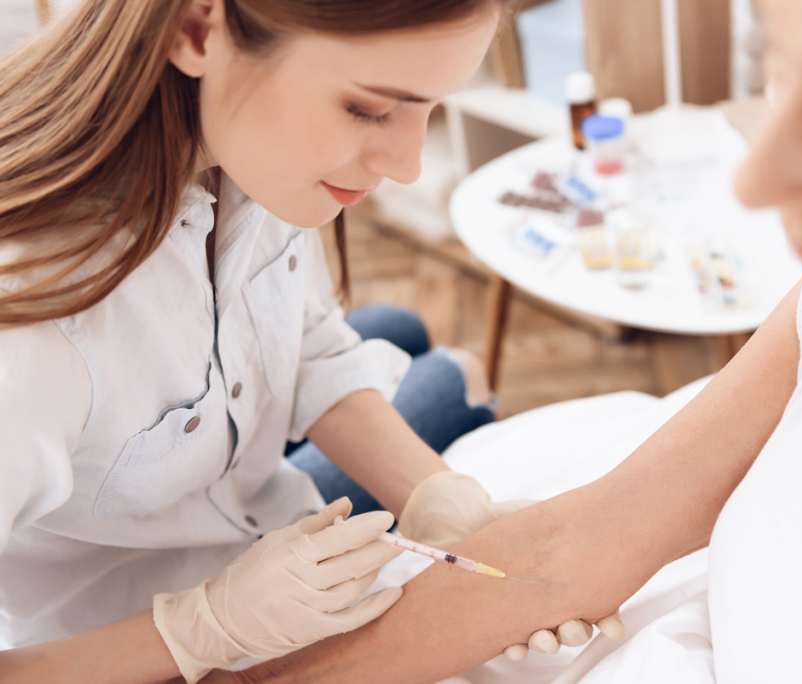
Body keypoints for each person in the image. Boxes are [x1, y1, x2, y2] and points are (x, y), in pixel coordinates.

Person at [197, 0, 802, 681]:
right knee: (421, 355)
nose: (755, 178)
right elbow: (571, 549)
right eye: (786, 70)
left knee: (427, 364)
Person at [0, 0, 597, 681]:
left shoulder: (247, 152)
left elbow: (308, 342)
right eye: (370, 109)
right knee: (460, 378)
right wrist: (197, 631)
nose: (408, 165)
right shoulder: (29, 331)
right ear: (196, 31)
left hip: (259, 525)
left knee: (403, 336)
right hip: (117, 648)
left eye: (430, 106)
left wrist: (435, 495)